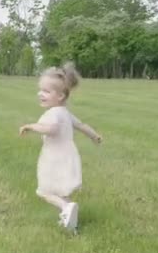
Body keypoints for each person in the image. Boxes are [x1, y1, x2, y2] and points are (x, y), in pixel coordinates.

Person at [19, 62, 102, 232]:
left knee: (44, 192)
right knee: (61, 193)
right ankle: (71, 218)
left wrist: (31, 126)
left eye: (46, 91)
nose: (40, 94)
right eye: (40, 90)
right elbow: (81, 125)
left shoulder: (53, 114)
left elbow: (51, 129)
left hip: (54, 158)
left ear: (61, 96)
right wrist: (94, 136)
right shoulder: (65, 112)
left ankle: (66, 209)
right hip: (68, 157)